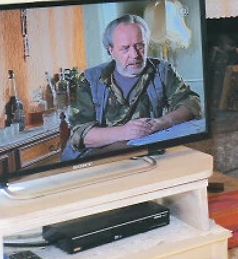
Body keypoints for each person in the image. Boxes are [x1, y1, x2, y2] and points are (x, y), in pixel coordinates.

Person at [62, 14, 202, 161]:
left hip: (146, 156)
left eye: (140, 46)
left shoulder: (162, 70)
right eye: (125, 48)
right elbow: (79, 134)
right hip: (100, 160)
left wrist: (163, 122)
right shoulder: (90, 79)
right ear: (111, 50)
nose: (134, 55)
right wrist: (124, 132)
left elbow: (191, 103)